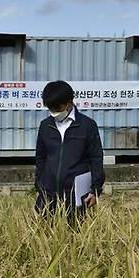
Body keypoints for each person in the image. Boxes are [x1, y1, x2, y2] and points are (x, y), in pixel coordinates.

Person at [34, 80, 105, 222]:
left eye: (58, 108)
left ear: (69, 102)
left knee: (75, 235)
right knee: (44, 234)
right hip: (48, 193)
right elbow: (41, 157)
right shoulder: (45, 126)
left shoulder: (87, 125)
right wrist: (39, 184)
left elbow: (96, 158)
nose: (55, 112)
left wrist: (95, 190)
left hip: (76, 194)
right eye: (51, 109)